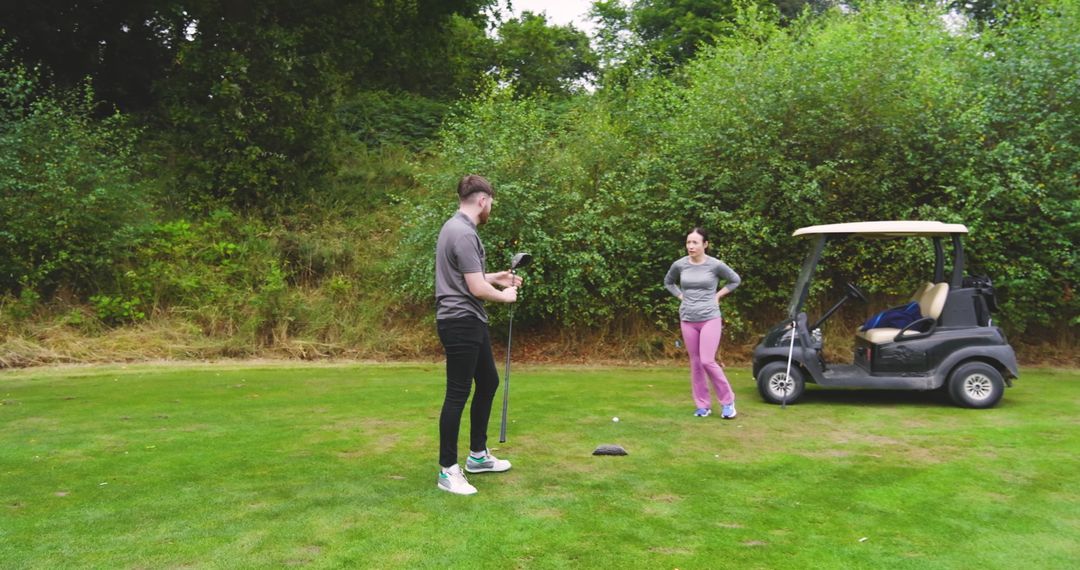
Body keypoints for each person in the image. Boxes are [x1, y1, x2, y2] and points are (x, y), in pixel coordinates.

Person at [433, 174, 522, 495]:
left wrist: (496, 276)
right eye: (491, 204)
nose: (490, 209)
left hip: (466, 319)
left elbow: (469, 276)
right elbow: (474, 288)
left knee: (488, 382)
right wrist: (504, 295)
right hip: (461, 321)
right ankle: (447, 470)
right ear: (482, 200)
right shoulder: (464, 234)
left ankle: (478, 456)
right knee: (457, 393)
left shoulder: (453, 228)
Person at [664, 227, 742, 419]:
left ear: (705, 245)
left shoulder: (715, 265)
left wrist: (718, 295)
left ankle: (728, 402)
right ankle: (703, 405)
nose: (691, 246)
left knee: (707, 360)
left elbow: (734, 280)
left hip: (710, 317)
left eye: (695, 242)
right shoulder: (680, 265)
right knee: (696, 363)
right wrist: (680, 295)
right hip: (688, 319)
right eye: (688, 242)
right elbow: (668, 282)